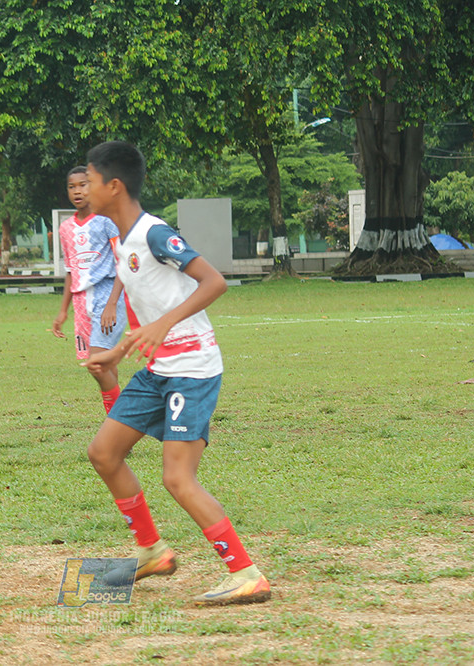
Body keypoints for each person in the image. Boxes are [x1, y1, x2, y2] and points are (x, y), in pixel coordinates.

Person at [80, 141, 271, 606]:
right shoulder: (122, 242)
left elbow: (214, 281)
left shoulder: (155, 234)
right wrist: (119, 350)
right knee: (104, 453)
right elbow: (153, 308)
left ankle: (246, 573)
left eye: (88, 181)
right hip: (158, 368)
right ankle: (152, 551)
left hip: (192, 370)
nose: (81, 189)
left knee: (178, 478)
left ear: (114, 186)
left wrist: (163, 325)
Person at [52, 166, 128, 414]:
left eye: (83, 184)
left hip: (108, 295)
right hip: (81, 303)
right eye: (72, 186)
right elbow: (71, 270)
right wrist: (63, 311)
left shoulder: (107, 220)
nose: (77, 191)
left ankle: (119, 423)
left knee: (97, 364)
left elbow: (123, 262)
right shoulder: (65, 228)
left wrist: (112, 304)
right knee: (104, 366)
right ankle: (120, 424)